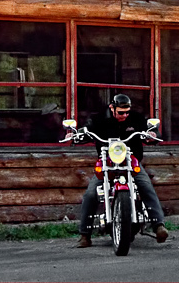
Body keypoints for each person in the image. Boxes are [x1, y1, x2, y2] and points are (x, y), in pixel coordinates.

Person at [72, 94, 168, 248]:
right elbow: (87, 129)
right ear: (112, 108)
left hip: (131, 160)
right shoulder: (99, 119)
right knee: (91, 193)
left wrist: (153, 134)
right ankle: (85, 234)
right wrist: (76, 134)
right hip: (107, 161)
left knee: (146, 186)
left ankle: (159, 226)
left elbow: (151, 131)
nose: (125, 115)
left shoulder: (135, 118)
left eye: (127, 112)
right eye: (121, 112)